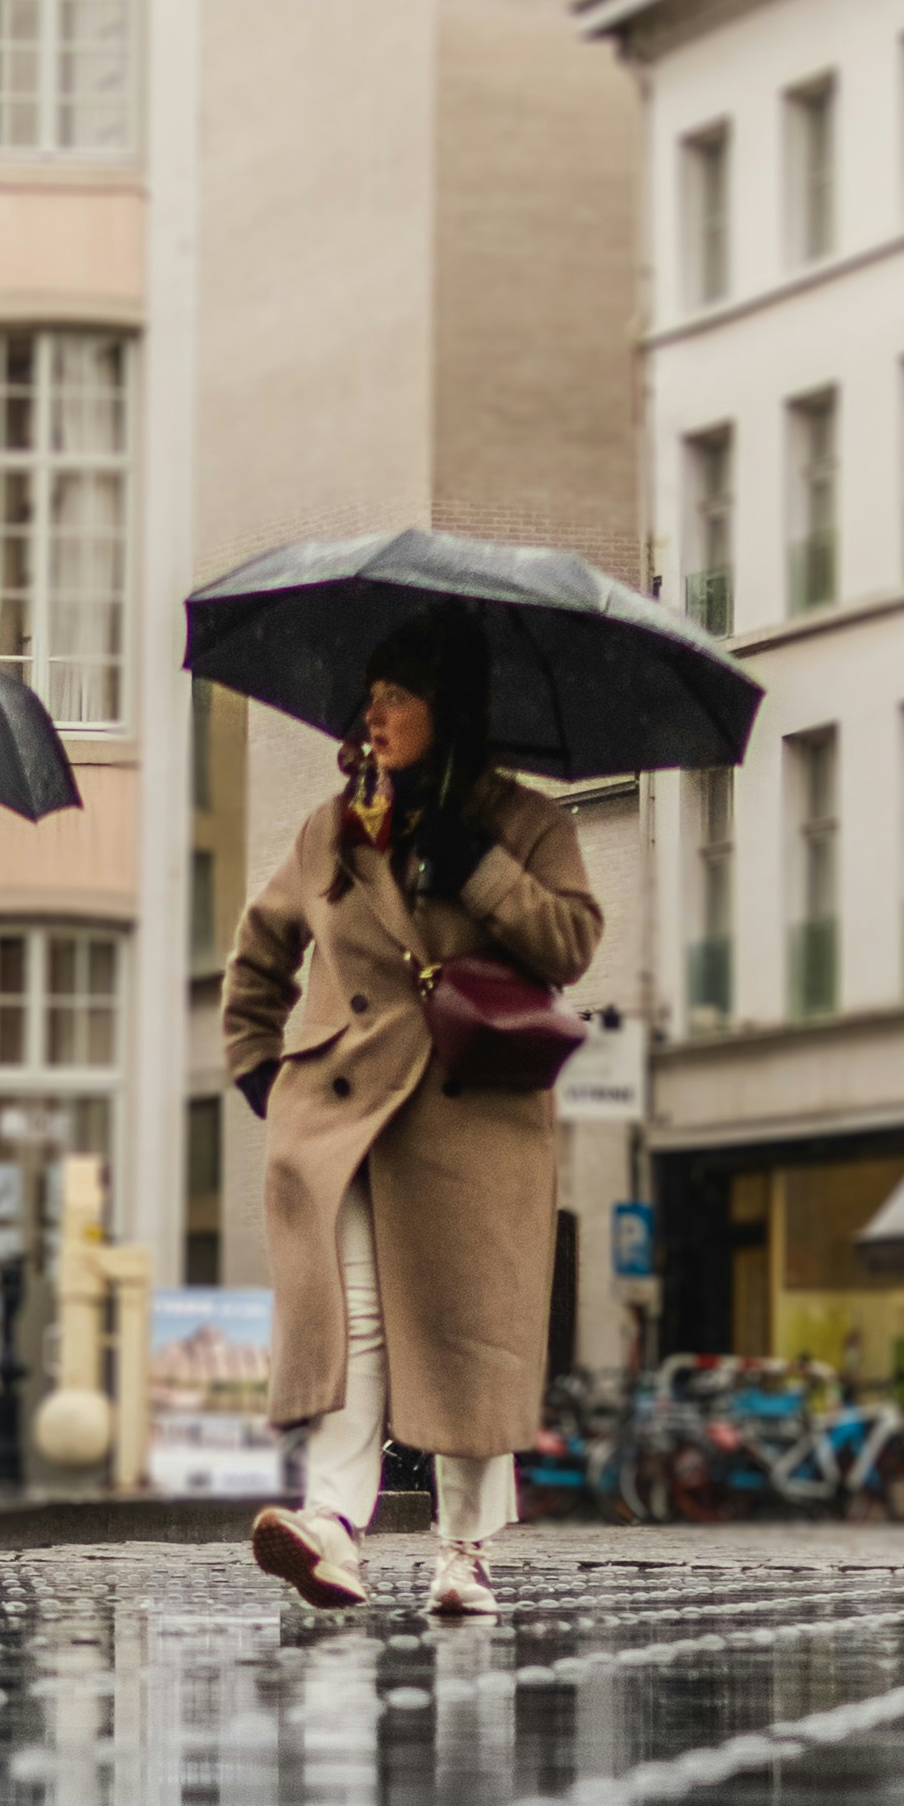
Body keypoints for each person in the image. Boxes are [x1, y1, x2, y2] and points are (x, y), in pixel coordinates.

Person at [218, 610, 601, 1620]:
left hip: (474, 1119)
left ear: (450, 710)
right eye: (371, 697)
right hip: (345, 1117)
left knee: (466, 1336)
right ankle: (335, 1526)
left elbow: (569, 943)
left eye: (398, 696)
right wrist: (265, 1073)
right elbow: (258, 955)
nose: (375, 715)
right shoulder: (332, 829)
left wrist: (473, 858)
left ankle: (463, 1551)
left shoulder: (526, 824)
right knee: (358, 1322)